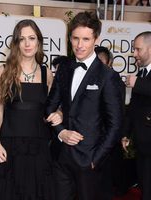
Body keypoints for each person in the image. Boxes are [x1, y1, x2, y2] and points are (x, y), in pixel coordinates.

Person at [46, 11, 124, 200]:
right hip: (61, 157)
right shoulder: (64, 67)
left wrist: (95, 159)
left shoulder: (107, 76)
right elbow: (49, 107)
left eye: (86, 39)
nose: (79, 45)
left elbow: (115, 125)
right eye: (75, 38)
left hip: (89, 161)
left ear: (96, 39)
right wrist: (60, 131)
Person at [0, 19, 61, 200]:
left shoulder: (46, 73)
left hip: (38, 147)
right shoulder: (3, 71)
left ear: (39, 41)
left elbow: (52, 107)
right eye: (22, 39)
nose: (27, 44)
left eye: (32, 38)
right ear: (16, 43)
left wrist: (59, 113)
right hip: (9, 146)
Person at [122, 31, 151, 200]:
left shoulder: (138, 78)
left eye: (138, 49)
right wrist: (126, 133)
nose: (134, 54)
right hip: (142, 145)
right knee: (145, 187)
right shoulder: (141, 73)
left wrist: (136, 83)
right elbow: (133, 108)